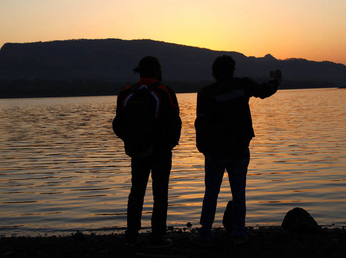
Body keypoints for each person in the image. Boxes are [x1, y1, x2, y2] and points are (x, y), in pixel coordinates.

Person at [194, 55, 282, 245]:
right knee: (239, 192)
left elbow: (199, 124)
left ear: (214, 71)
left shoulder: (205, 93)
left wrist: (203, 148)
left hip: (215, 151)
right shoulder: (243, 85)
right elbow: (264, 91)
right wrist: (275, 81)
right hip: (239, 149)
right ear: (232, 70)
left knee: (211, 193)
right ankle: (239, 233)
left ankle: (205, 233)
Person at [113, 56, 181, 247]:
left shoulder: (125, 93)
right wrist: (168, 145)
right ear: (158, 71)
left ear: (139, 71)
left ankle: (132, 235)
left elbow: (117, 124)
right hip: (161, 152)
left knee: (136, 192)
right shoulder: (165, 91)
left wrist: (130, 141)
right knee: (160, 194)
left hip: (137, 151)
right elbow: (175, 122)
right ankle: (157, 236)